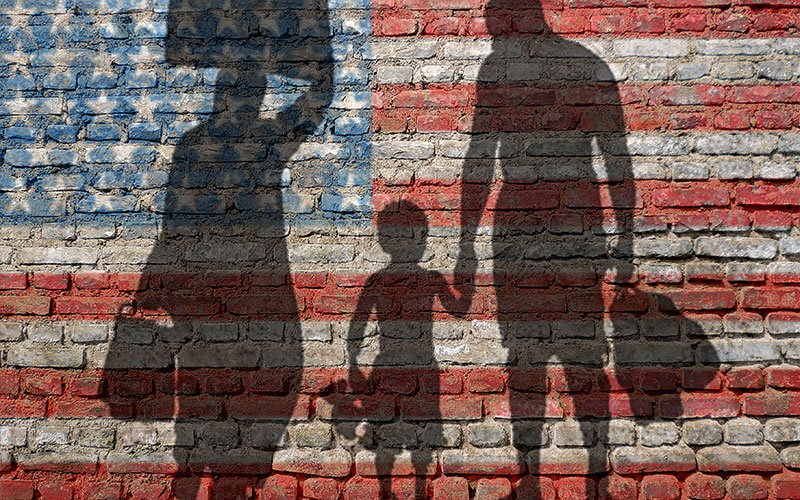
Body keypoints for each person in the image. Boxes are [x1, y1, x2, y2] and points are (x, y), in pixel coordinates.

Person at [105, 0, 333, 497]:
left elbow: (172, 225)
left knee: (197, 411)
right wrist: (318, 49)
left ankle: (199, 479)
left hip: (206, 295)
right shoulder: (267, 141)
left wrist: (153, 284)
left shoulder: (198, 145)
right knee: (230, 415)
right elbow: (319, 100)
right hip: (256, 297)